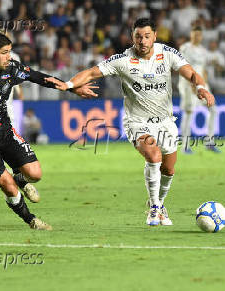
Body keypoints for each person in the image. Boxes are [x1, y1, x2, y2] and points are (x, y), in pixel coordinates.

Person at [49, 18, 215, 226]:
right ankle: (154, 208)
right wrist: (69, 84)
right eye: (138, 36)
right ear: (132, 38)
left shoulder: (167, 54)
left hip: (165, 122)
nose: (143, 41)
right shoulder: (123, 60)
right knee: (153, 155)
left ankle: (159, 203)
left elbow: (190, 72)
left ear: (155, 36)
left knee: (169, 170)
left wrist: (201, 88)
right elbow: (92, 73)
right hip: (137, 122)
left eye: (147, 36)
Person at [0, 31, 97, 230]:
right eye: (4, 53)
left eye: (10, 52)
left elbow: (39, 77)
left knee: (35, 174)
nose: (9, 57)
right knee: (8, 186)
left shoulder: (11, 68)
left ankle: (21, 179)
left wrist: (70, 88)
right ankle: (31, 220)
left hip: (3, 130)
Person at [178, 26, 220, 154]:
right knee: (189, 112)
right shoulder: (185, 48)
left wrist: (205, 85)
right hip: (188, 84)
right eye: (194, 34)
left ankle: (209, 142)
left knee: (213, 109)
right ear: (191, 35)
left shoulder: (203, 50)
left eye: (199, 35)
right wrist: (192, 85)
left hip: (201, 84)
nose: (197, 37)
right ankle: (185, 146)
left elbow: (204, 68)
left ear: (201, 36)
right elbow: (183, 67)